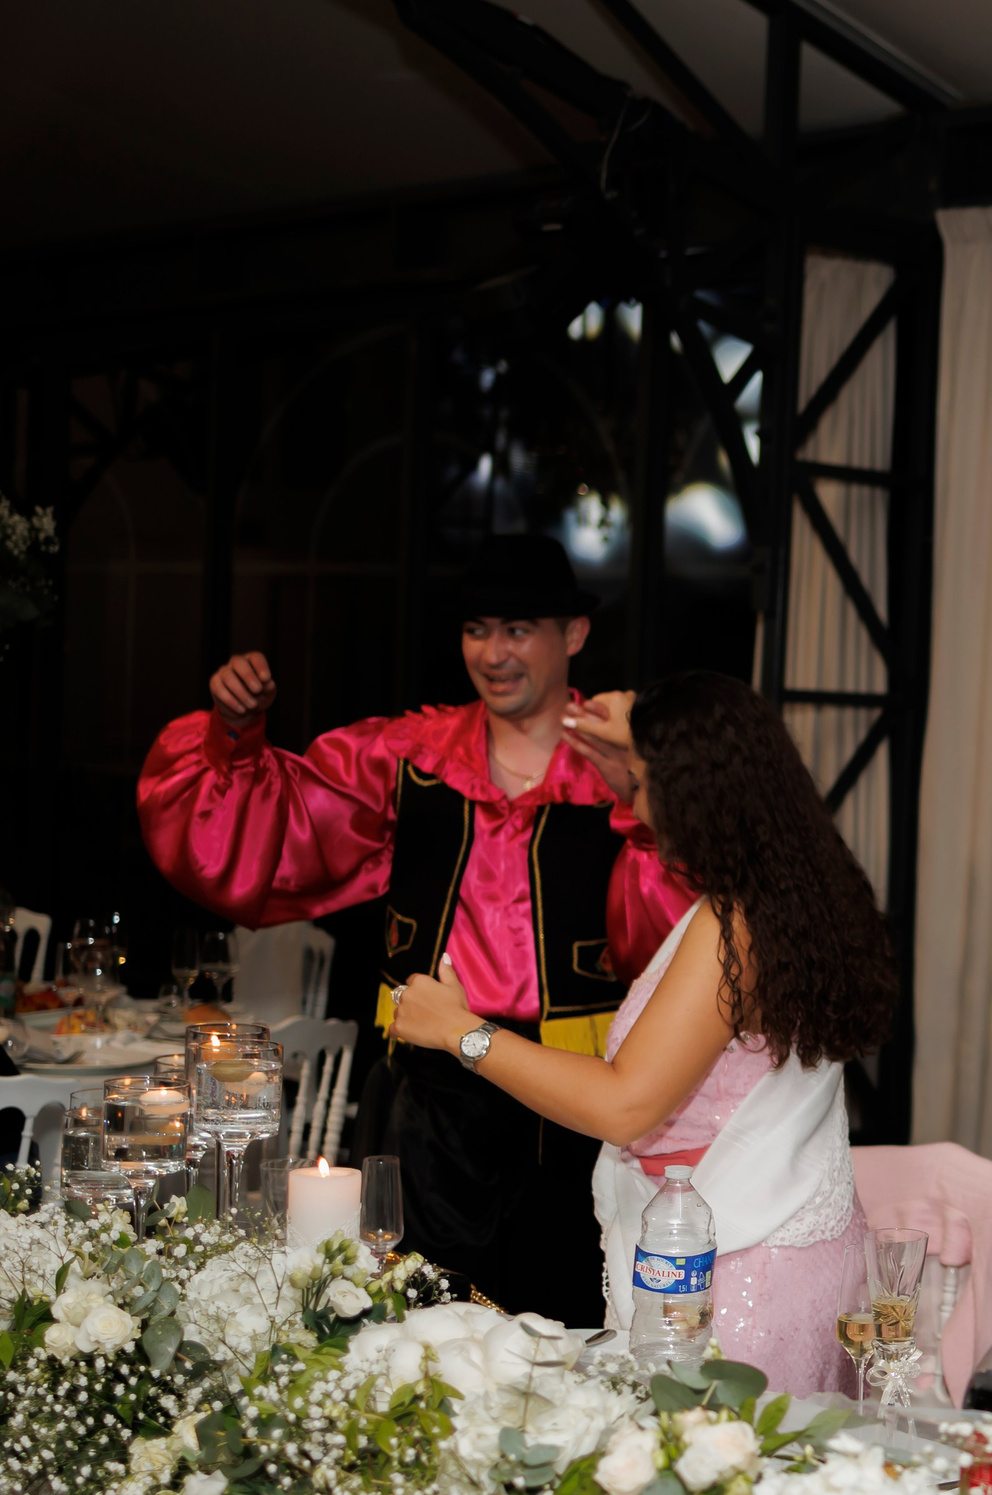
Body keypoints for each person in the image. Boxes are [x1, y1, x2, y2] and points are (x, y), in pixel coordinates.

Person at [137, 536, 692, 1320]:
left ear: (574, 634)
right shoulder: (408, 756)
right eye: (476, 629)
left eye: (517, 629)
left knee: (567, 1333)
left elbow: (687, 930)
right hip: (428, 1106)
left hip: (572, 1110)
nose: (492, 653)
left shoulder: (622, 765)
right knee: (418, 1333)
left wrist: (638, 795)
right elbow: (265, 830)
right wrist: (235, 732)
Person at [391, 670, 895, 1391]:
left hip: (732, 1276)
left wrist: (462, 1033)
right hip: (784, 1252)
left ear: (694, 792)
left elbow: (625, 1103)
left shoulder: (733, 925)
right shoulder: (796, 892)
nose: (636, 798)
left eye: (644, 779)